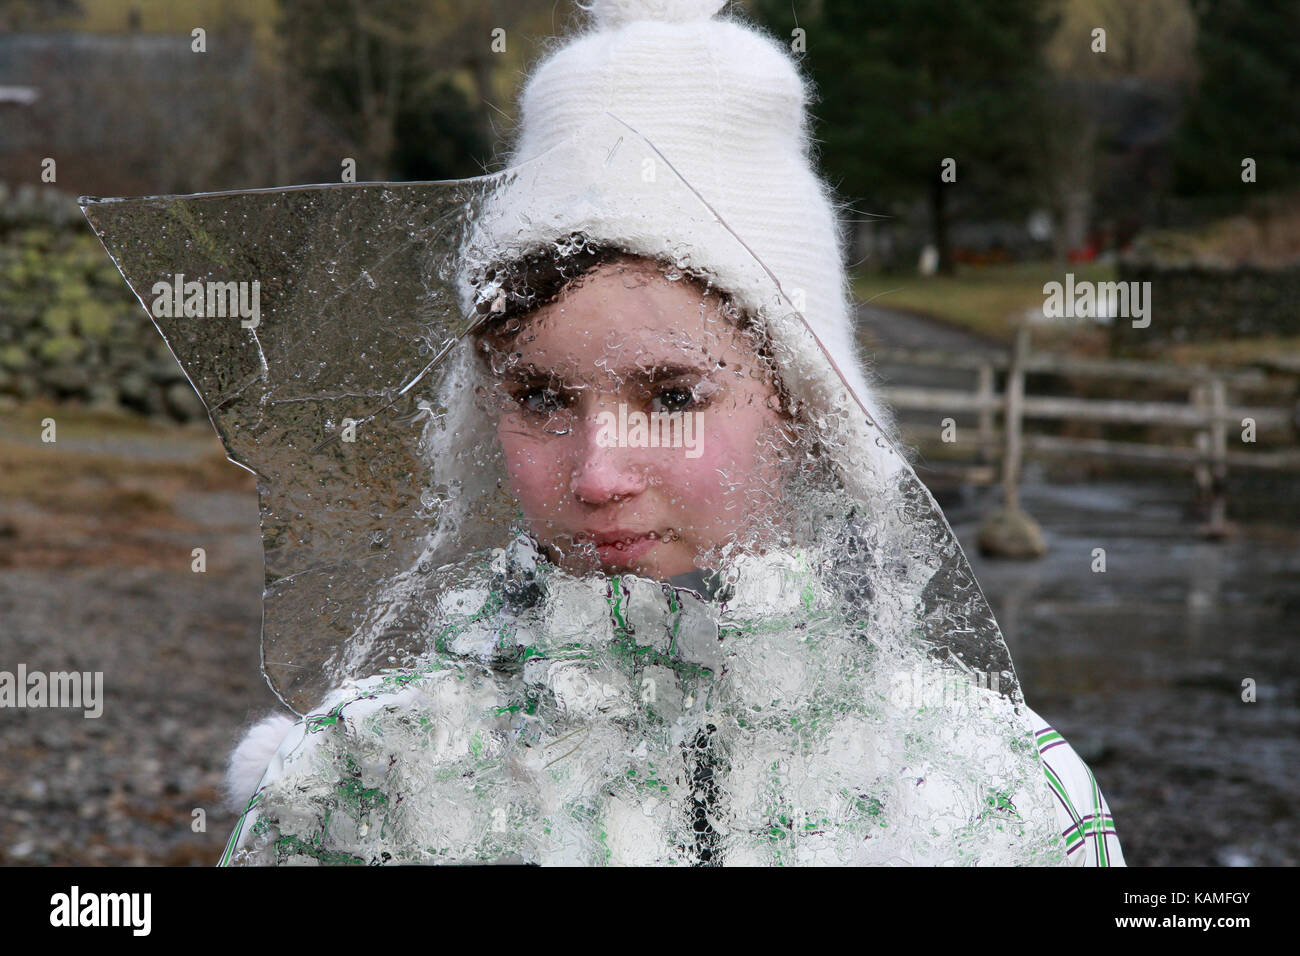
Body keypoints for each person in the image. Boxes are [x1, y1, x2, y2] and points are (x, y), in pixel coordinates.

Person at [221, 0, 1123, 866]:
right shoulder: (364, 786)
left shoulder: (991, 797)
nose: (600, 474)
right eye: (540, 397)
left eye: (673, 396)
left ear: (804, 405)